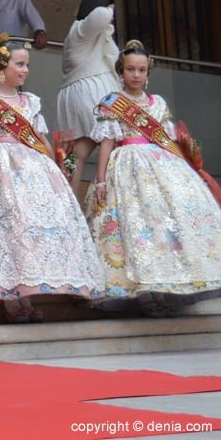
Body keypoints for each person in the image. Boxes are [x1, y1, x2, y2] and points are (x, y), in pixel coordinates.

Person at [0, 34, 104, 323]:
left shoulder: (30, 102)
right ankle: (12, 300)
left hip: (32, 171)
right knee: (6, 231)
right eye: (20, 64)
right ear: (2, 67)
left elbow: (39, 138)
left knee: (27, 232)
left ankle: (28, 291)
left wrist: (57, 166)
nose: (25, 70)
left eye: (27, 65)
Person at [87, 40, 221, 316]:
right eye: (130, 69)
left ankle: (164, 290)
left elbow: (169, 139)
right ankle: (143, 292)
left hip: (163, 169)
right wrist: (100, 180)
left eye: (142, 70)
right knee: (134, 229)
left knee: (164, 229)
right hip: (126, 167)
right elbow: (107, 142)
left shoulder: (158, 103)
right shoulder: (111, 104)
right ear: (120, 71)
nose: (136, 75)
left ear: (149, 73)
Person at [55, 0, 120, 194]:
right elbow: (101, 16)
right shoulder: (81, 29)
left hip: (74, 99)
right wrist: (109, 8)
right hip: (93, 97)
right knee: (117, 147)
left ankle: (70, 205)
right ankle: (115, 203)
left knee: (78, 152)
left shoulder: (79, 33)